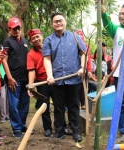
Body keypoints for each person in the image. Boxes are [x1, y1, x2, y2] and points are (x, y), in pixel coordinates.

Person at [42, 12, 86, 142]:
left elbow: (84, 53)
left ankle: (76, 132)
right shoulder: (49, 40)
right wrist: (49, 75)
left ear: (65, 22)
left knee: (74, 106)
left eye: (60, 20)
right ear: (52, 24)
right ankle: (59, 131)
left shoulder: (75, 37)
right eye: (55, 21)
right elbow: (47, 59)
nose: (58, 23)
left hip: (74, 79)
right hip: (57, 80)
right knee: (58, 107)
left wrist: (82, 67)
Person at [94, 1, 124, 141]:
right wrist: (102, 8)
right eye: (120, 14)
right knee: (121, 103)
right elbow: (106, 21)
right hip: (120, 75)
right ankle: (122, 131)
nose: (121, 16)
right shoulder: (116, 30)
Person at [2, 17, 30, 138]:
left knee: (25, 103)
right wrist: (9, 77)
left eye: (18, 28)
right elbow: (3, 60)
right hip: (14, 79)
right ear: (9, 29)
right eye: (14, 29)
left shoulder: (25, 41)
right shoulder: (7, 42)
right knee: (14, 104)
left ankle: (22, 124)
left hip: (26, 79)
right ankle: (16, 128)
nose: (17, 30)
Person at [27, 29, 52, 137]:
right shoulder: (30, 54)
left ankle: (62, 127)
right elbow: (31, 70)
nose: (36, 39)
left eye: (37, 36)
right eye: (33, 38)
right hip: (42, 82)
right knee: (44, 105)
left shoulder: (50, 47)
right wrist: (31, 86)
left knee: (60, 104)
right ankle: (47, 128)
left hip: (55, 80)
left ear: (42, 36)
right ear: (31, 41)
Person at [76, 29, 92, 109]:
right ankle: (76, 103)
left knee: (84, 87)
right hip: (75, 70)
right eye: (78, 34)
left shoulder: (86, 46)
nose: (79, 36)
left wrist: (89, 70)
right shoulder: (73, 44)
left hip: (84, 69)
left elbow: (88, 59)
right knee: (76, 87)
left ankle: (83, 104)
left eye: (81, 34)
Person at [0, 44, 9, 123]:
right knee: (2, 98)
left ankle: (7, 115)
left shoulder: (5, 58)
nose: (1, 51)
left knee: (7, 98)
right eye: (0, 50)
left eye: (2, 50)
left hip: (5, 79)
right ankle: (3, 116)